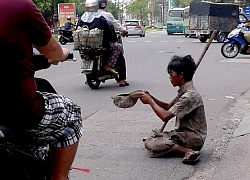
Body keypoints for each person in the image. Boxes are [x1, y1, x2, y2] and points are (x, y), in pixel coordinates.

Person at [0, 0, 83, 179]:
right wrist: (63, 54)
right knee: (71, 115)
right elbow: (54, 53)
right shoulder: (21, 6)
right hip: (15, 108)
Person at [136, 55, 207, 165]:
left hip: (193, 138)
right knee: (152, 136)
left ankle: (188, 151)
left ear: (181, 75)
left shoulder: (190, 96)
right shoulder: (184, 91)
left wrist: (150, 101)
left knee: (153, 143)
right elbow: (168, 106)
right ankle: (174, 147)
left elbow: (165, 116)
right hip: (183, 134)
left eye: (171, 74)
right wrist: (151, 97)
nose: (170, 77)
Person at [77, 0, 123, 75]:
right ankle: (109, 65)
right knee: (118, 47)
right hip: (101, 44)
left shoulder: (82, 18)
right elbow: (108, 30)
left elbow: (77, 28)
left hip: (85, 44)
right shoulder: (100, 18)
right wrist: (113, 40)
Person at [97, 0, 129, 86]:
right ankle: (121, 80)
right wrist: (124, 30)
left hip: (89, 43)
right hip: (105, 43)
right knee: (119, 50)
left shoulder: (85, 15)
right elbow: (116, 26)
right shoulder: (106, 15)